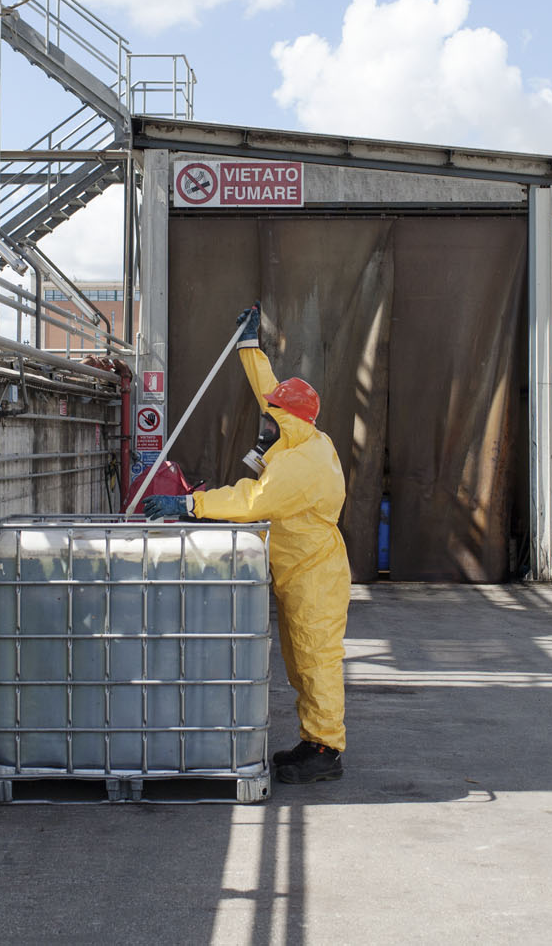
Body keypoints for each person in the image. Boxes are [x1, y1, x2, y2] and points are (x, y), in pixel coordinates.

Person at [143, 303, 352, 784]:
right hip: (300, 569)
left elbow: (251, 499)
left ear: (289, 420)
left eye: (271, 417)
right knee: (299, 660)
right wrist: (249, 346)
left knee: (316, 659)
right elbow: (269, 391)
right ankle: (312, 738)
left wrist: (192, 506)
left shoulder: (303, 463)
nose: (265, 422)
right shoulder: (296, 436)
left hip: (315, 575)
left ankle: (327, 750)